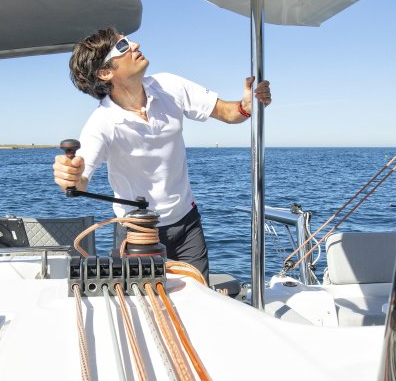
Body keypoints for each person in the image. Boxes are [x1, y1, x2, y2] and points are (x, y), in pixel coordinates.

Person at [52, 28, 271, 281]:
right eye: (122, 46)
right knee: (144, 302)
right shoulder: (101, 123)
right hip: (137, 233)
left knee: (200, 296)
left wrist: (245, 107)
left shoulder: (169, 86)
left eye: (128, 40)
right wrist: (70, 176)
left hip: (187, 225)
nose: (135, 45)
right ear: (105, 72)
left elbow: (227, 112)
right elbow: (79, 181)